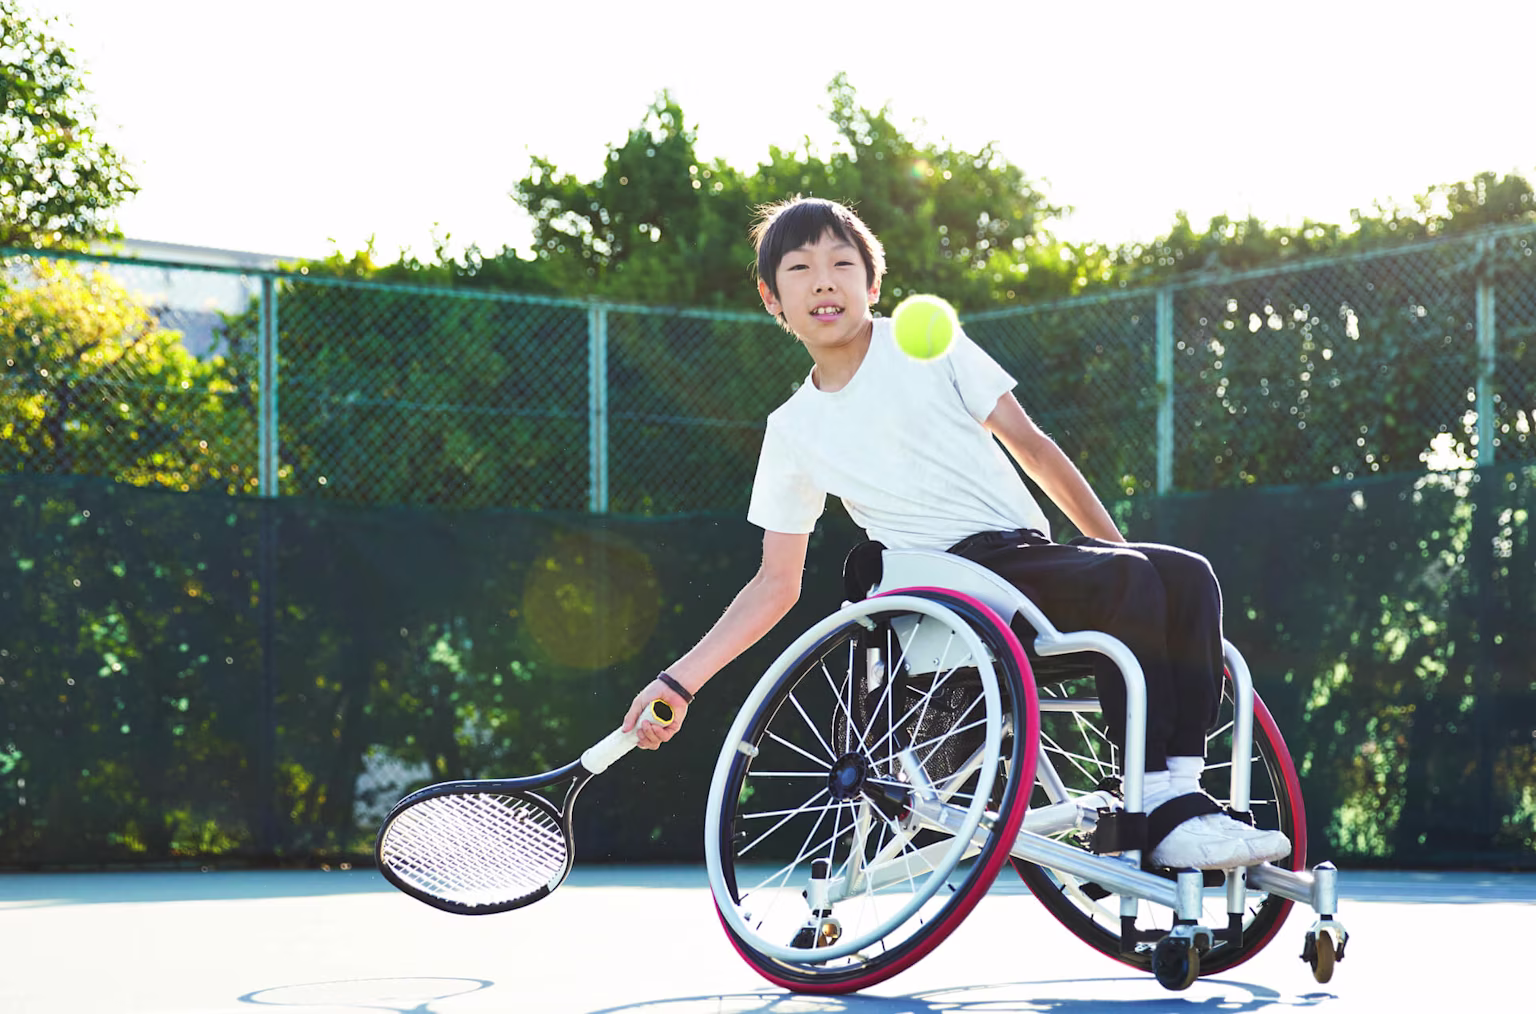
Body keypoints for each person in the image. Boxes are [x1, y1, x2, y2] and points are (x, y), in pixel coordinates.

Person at [621, 195, 1289, 870]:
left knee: (1185, 573)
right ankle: (1155, 805)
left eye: (842, 262)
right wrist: (677, 684)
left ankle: (1178, 796)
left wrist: (1115, 549)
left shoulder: (929, 344)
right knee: (1137, 577)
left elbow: (1031, 446)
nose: (824, 280)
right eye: (799, 268)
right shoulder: (793, 430)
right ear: (772, 299)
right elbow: (774, 582)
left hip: (1028, 564)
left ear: (872, 285)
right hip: (950, 593)